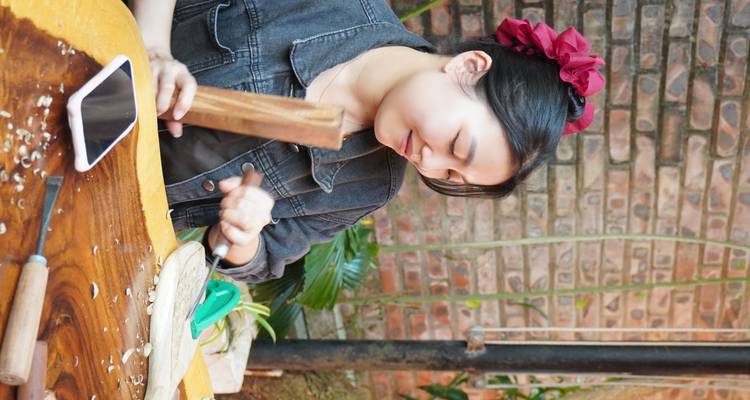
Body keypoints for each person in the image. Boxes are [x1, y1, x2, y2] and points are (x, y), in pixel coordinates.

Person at [129, 0, 604, 283]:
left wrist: (242, 236)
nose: (428, 162)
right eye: (456, 146)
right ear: (467, 67)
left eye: (450, 174)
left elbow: (261, 259)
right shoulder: (335, 7)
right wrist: (152, 47)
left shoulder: (369, 184)